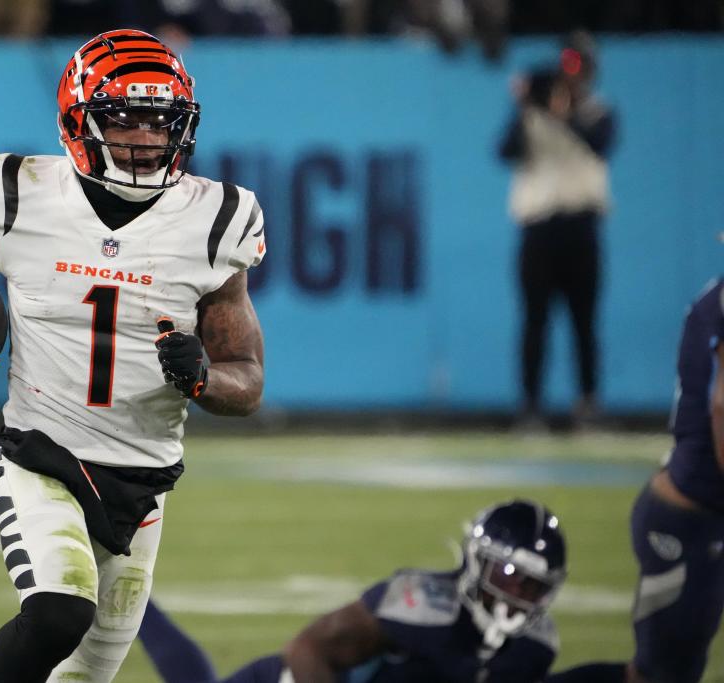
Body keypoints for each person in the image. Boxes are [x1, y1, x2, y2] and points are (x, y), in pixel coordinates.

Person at [0, 29, 266, 683]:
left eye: (159, 122)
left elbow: (248, 379)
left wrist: (205, 376)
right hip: (40, 454)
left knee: (75, 675)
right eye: (124, 120)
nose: (145, 139)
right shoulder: (21, 194)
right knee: (59, 612)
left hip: (144, 484)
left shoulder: (217, 220)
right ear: (78, 122)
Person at [138, 499, 567, 683]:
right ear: (479, 562)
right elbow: (307, 650)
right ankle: (132, 595)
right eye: (509, 573)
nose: (518, 593)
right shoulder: (422, 605)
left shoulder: (535, 646)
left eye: (534, 585)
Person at [546, 276, 724, 683]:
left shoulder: (714, 295)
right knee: (658, 676)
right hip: (689, 520)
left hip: (695, 512)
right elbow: (722, 407)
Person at [497, 31, 617, 430]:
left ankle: (588, 404)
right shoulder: (533, 114)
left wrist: (564, 114)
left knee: (584, 323)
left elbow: (599, 143)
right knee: (535, 321)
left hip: (581, 226)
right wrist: (525, 106)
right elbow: (504, 151)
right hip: (539, 228)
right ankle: (530, 407)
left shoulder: (599, 112)